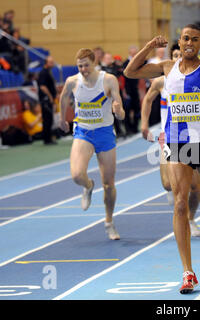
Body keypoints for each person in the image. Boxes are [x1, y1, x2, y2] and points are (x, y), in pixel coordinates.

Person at [124, 24, 200, 294]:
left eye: (195, 39)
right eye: (186, 39)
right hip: (177, 142)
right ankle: (187, 271)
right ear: (180, 42)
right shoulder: (166, 67)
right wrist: (149, 46)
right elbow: (130, 72)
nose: (190, 43)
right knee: (180, 204)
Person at [59, 48, 125, 240]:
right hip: (83, 132)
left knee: (109, 184)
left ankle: (109, 221)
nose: (83, 69)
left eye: (86, 65)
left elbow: (119, 111)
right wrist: (63, 119)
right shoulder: (73, 81)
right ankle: (88, 186)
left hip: (104, 133)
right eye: (80, 66)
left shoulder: (108, 80)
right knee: (77, 175)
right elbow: (63, 97)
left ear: (94, 63)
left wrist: (118, 109)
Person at [141, 42, 200, 237]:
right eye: (174, 55)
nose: (178, 59)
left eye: (180, 55)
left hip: (194, 137)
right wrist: (144, 124)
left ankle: (191, 219)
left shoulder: (196, 79)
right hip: (168, 137)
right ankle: (175, 193)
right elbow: (147, 99)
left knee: (195, 185)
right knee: (168, 185)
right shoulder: (161, 82)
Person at [38, 56, 57, 145]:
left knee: (49, 118)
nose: (52, 64)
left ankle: (48, 137)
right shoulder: (43, 73)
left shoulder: (48, 72)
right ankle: (46, 139)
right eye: (51, 62)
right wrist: (50, 97)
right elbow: (42, 86)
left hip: (48, 99)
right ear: (46, 63)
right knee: (47, 119)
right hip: (45, 100)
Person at [123, 45, 141, 134]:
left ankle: (135, 127)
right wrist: (124, 91)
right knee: (127, 110)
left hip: (135, 89)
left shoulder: (138, 62)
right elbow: (123, 78)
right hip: (127, 89)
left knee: (137, 109)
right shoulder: (125, 63)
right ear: (130, 53)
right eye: (132, 54)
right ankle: (128, 128)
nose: (134, 55)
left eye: (135, 54)